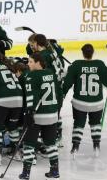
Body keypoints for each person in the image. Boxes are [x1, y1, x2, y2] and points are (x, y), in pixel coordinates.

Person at [63, 44, 107, 158]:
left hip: (79, 104)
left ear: (82, 53)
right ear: (93, 52)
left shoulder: (76, 65)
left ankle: (75, 147)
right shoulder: (100, 64)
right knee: (95, 124)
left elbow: (66, 83)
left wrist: (61, 95)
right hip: (96, 104)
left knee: (78, 124)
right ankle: (96, 146)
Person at [19, 52, 62, 180]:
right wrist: (56, 110)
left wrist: (30, 112)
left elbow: (32, 95)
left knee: (29, 144)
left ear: (38, 62)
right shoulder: (51, 73)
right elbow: (59, 93)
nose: (28, 64)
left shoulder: (31, 76)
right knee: (50, 143)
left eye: (31, 61)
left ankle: (26, 172)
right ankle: (55, 170)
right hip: (52, 115)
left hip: (38, 116)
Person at [31, 34, 65, 146]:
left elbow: (39, 73)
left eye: (32, 44)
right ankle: (57, 136)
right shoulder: (52, 51)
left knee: (48, 114)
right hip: (59, 86)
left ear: (36, 42)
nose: (31, 46)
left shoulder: (42, 55)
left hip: (52, 88)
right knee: (55, 113)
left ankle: (51, 140)